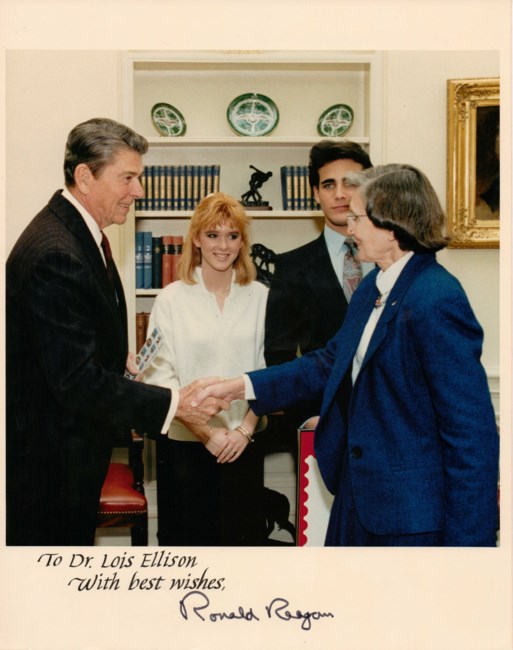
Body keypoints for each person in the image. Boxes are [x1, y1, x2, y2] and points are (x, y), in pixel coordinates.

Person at [193, 164, 500, 547]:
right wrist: (242, 386)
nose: (348, 228)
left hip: (411, 519)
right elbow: (327, 361)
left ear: (392, 224)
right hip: (357, 498)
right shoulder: (375, 283)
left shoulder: (436, 298)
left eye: (356, 218)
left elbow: (470, 435)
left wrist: (469, 552)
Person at [5, 117, 225, 546]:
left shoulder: (78, 236)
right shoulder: (57, 252)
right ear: (85, 177)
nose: (138, 192)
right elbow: (75, 382)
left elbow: (70, 351)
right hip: (49, 472)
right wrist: (175, 404)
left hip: (66, 461)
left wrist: (113, 357)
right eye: (128, 178)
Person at [143, 192, 269, 546]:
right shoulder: (171, 298)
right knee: (187, 552)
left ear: (242, 241)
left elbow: (267, 370)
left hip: (244, 445)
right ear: (196, 239)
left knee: (242, 553)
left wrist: (243, 431)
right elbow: (159, 376)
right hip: (185, 449)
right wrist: (207, 434)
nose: (223, 246)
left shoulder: (260, 297)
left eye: (232, 235)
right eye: (213, 235)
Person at [263, 140, 373, 449]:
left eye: (350, 183)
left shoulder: (390, 259)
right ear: (315, 194)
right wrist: (306, 418)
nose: (340, 194)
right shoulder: (292, 267)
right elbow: (279, 355)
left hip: (389, 425)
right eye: (329, 184)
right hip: (321, 424)